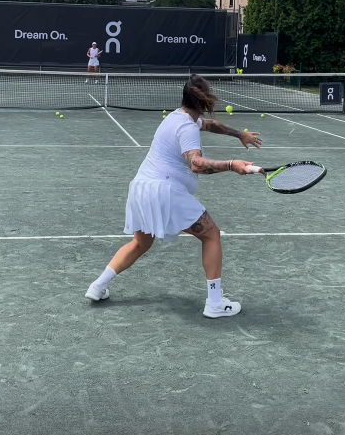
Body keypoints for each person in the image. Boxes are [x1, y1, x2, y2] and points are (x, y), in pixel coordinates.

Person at [86, 74, 262, 318]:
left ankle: (97, 286)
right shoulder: (187, 127)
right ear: (204, 100)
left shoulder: (177, 117)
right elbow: (197, 164)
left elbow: (210, 125)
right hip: (164, 192)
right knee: (211, 235)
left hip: (141, 188)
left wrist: (239, 134)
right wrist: (232, 164)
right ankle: (215, 303)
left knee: (140, 243)